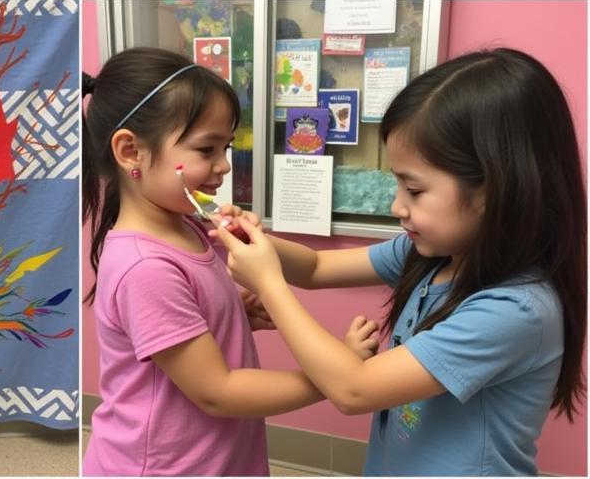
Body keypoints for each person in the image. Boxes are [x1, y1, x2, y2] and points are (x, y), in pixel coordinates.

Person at [214, 48, 587, 476]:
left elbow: (354, 391)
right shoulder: (431, 254)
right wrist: (252, 238)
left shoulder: (516, 309)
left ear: (493, 188)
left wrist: (269, 285)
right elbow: (317, 269)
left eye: (414, 190)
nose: (397, 206)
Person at [82, 48, 380, 477]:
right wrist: (331, 373)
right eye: (207, 148)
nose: (224, 165)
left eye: (227, 145)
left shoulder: (192, 227)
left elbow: (307, 265)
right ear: (131, 152)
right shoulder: (144, 266)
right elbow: (217, 391)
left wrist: (233, 310)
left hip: (216, 455)